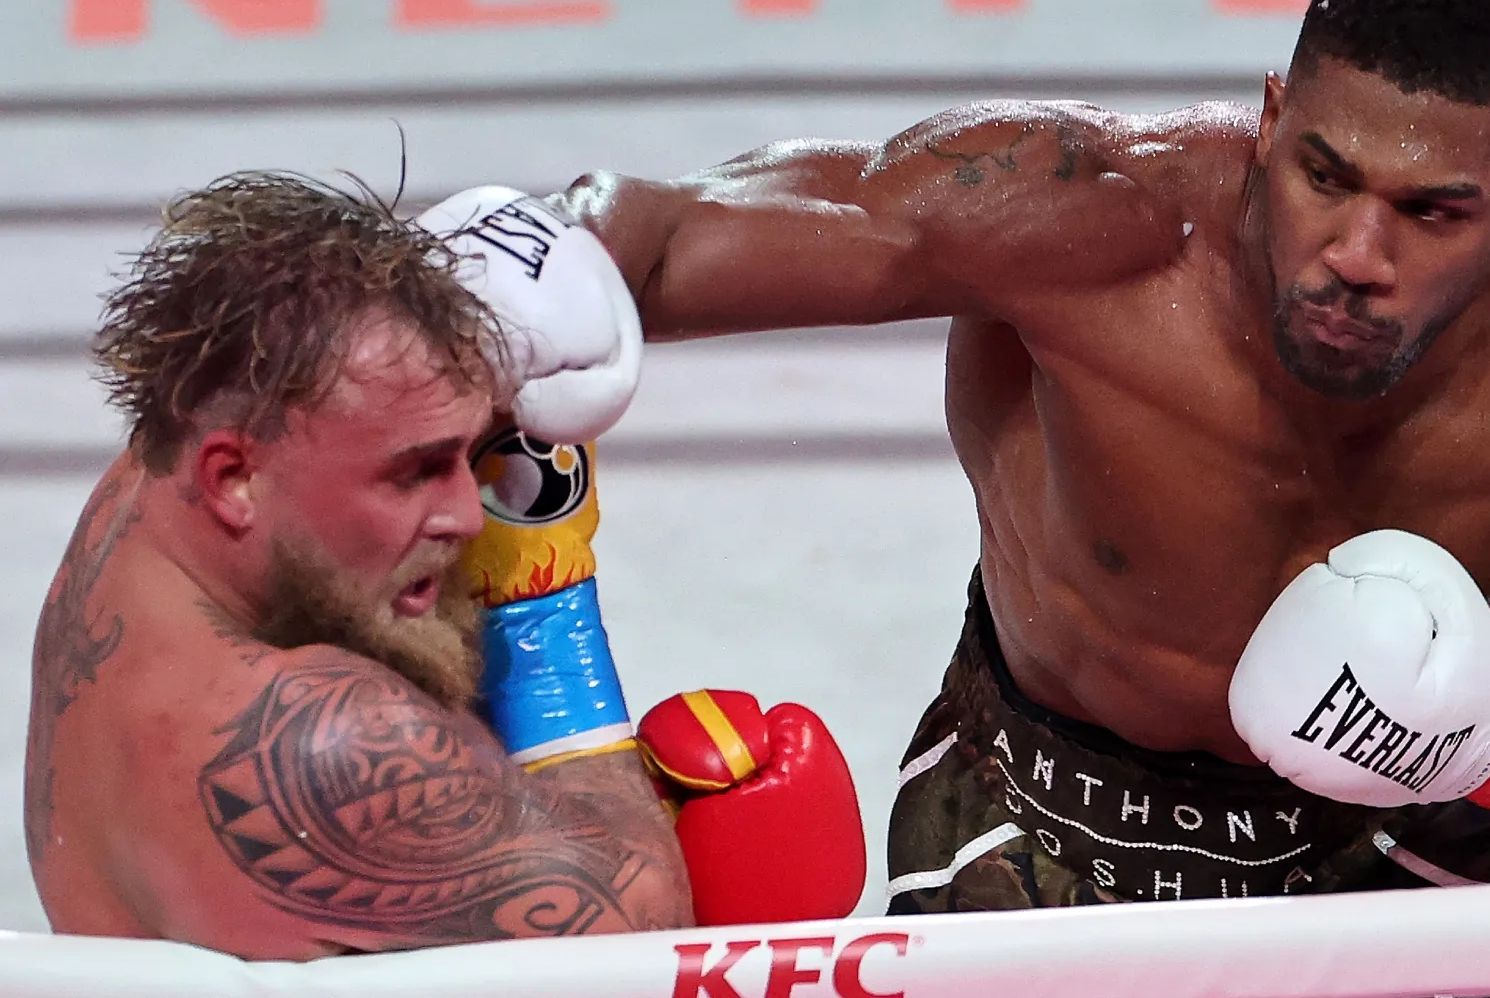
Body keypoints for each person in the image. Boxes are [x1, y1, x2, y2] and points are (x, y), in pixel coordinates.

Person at [434, 0, 1490, 944]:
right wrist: (546, 253)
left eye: (1434, 212)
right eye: (1324, 174)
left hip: (1419, 823)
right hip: (1048, 807)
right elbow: (677, 236)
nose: (1356, 254)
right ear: (1273, 119)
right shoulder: (1088, 214)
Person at [26, 172, 864, 959]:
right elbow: (631, 939)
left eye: (471, 456)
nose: (470, 515)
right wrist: (545, 614)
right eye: (416, 469)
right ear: (234, 478)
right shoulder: (335, 745)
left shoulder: (147, 493)